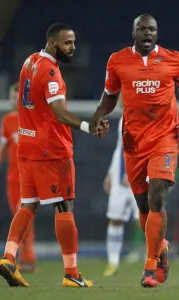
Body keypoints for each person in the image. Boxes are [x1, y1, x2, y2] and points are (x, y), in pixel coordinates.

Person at [90, 14, 179, 287]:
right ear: (133, 33)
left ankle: (149, 266)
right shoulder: (117, 61)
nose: (147, 33)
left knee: (157, 194)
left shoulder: (175, 60)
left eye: (152, 29)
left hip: (165, 138)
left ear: (157, 33)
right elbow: (110, 95)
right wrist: (98, 115)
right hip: (133, 142)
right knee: (144, 206)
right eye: (142, 29)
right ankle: (161, 251)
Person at [0, 23, 108, 288]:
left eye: (73, 42)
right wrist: (88, 126)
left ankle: (8, 258)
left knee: (29, 205)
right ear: (52, 43)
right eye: (67, 43)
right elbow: (59, 112)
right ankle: (71, 272)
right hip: (51, 150)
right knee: (64, 205)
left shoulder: (29, 62)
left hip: (26, 146)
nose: (72, 47)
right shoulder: (51, 73)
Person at [0, 82, 37, 272]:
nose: (15, 100)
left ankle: (28, 259)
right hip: (12, 180)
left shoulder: (32, 119)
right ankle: (25, 258)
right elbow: (3, 148)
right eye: (12, 96)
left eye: (18, 96)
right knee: (19, 217)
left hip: (27, 178)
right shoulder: (7, 120)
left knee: (22, 215)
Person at [102, 103, 142, 276]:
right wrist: (111, 172)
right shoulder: (122, 119)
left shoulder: (142, 117)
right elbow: (120, 148)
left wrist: (134, 171)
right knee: (115, 219)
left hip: (139, 178)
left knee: (145, 220)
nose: (117, 98)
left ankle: (154, 261)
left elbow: (146, 148)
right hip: (120, 180)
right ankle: (113, 262)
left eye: (121, 94)